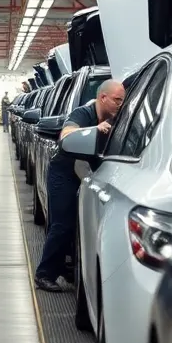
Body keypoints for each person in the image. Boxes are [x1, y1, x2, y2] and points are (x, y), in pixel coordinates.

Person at [35, 78, 125, 292]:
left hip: (88, 173)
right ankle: (44, 274)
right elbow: (66, 134)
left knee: (76, 225)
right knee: (62, 224)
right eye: (117, 100)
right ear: (103, 97)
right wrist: (95, 129)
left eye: (122, 100)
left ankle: (65, 266)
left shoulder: (118, 118)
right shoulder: (83, 113)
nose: (121, 105)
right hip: (64, 173)